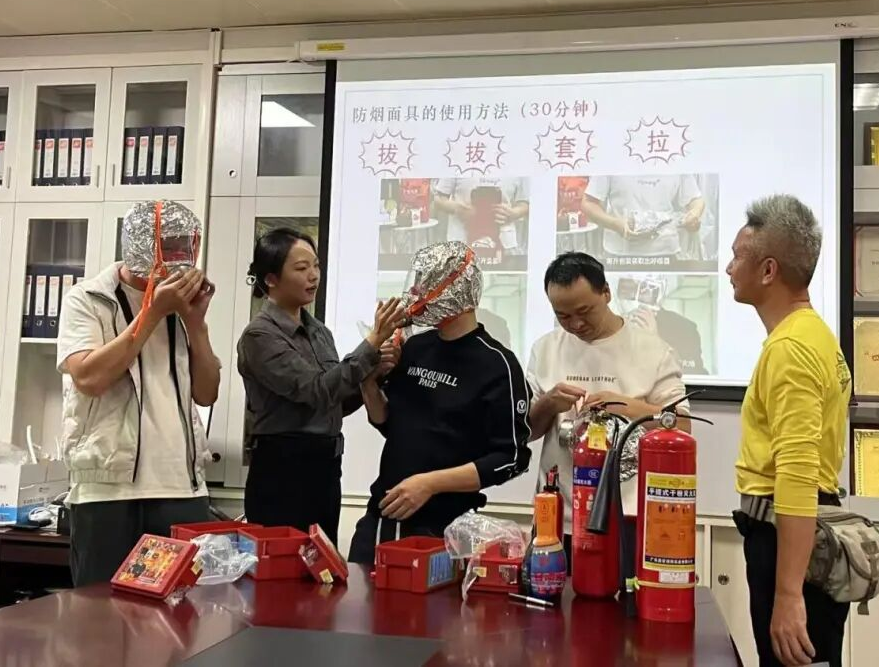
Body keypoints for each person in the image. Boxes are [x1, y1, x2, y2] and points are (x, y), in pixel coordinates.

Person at [58, 200, 220, 586]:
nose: (181, 258)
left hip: (182, 487)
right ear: (143, 244)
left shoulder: (181, 307)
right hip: (108, 491)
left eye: (186, 246)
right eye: (171, 246)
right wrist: (153, 312)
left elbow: (207, 393)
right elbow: (89, 378)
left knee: (180, 614)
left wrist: (196, 323)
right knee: (101, 613)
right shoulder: (88, 298)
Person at [347, 241, 531, 564]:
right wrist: (369, 381)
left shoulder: (497, 364)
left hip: (447, 528)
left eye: (425, 284)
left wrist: (430, 484)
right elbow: (389, 423)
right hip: (384, 515)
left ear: (454, 287)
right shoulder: (416, 347)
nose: (415, 294)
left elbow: (510, 458)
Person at [727, 195, 851, 667]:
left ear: (768, 270)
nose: (728, 268)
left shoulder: (791, 349)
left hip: (788, 541)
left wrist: (788, 595)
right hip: (798, 537)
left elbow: (797, 475)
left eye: (737, 256)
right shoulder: (813, 334)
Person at [237, 227, 403, 540]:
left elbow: (335, 402)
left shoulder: (320, 332)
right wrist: (371, 343)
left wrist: (374, 373)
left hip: (326, 467)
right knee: (284, 562)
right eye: (301, 268)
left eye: (316, 265)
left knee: (322, 559)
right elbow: (316, 391)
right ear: (271, 279)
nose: (313, 276)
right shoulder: (260, 336)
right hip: (283, 470)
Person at [526, 252, 688, 561]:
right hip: (559, 518)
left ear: (607, 293)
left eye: (584, 311)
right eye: (563, 316)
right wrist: (548, 403)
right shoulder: (545, 349)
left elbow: (682, 425)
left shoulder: (653, 351)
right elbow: (528, 432)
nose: (576, 324)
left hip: (629, 515)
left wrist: (629, 407)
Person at [581, 174, 704, 260]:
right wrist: (615, 224)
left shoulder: (674, 157)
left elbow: (695, 199)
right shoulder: (614, 157)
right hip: (619, 254)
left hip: (665, 251)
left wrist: (694, 215)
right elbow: (588, 203)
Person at [433, 177, 530, 258]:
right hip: (461, 244)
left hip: (504, 244)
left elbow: (525, 203)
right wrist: (458, 209)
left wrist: (513, 213)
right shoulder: (457, 162)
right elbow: (438, 200)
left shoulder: (517, 164)